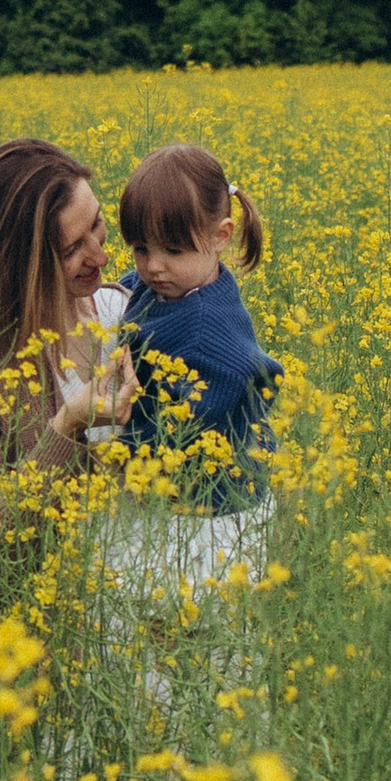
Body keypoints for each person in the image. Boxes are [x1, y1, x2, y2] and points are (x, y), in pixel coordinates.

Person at [0, 137, 136, 550]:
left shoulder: (124, 312)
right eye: (72, 249)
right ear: (21, 264)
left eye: (97, 224)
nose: (101, 257)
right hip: (45, 610)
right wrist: (66, 427)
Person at [115, 144, 281, 555]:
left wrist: (120, 457)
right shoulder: (167, 284)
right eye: (141, 249)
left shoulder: (207, 331)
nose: (153, 266)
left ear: (220, 236)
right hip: (179, 499)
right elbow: (131, 291)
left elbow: (186, 429)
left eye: (172, 250)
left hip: (216, 513)